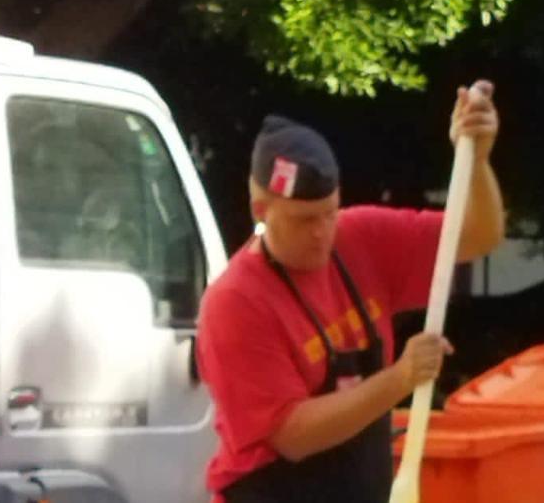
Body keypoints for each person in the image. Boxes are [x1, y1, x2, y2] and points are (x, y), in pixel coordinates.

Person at [196, 81, 505, 503]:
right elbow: (293, 435)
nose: (322, 232)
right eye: (304, 220)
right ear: (260, 211)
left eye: (329, 212)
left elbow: (476, 236)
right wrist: (400, 378)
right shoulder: (235, 302)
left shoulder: (360, 237)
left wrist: (478, 160)